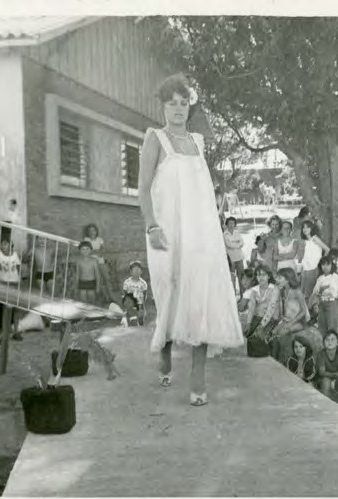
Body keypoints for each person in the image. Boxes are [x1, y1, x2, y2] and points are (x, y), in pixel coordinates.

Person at [138, 74, 244, 406]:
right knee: (169, 294)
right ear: (163, 106)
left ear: (190, 106)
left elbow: (202, 192)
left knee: (201, 298)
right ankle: (166, 350)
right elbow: (143, 189)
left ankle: (198, 375)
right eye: (172, 103)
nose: (178, 109)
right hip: (166, 233)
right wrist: (152, 226)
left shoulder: (198, 141)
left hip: (201, 235)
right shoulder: (155, 139)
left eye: (184, 103)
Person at [270, 268, 309, 363]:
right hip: (286, 319)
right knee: (273, 333)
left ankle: (282, 361)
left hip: (299, 321)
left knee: (281, 333)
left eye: (280, 278)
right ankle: (274, 360)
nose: (277, 280)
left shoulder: (297, 292)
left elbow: (303, 311)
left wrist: (290, 323)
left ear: (287, 279)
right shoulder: (283, 291)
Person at [297, 220, 329, 300]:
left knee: (310, 294)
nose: (305, 229)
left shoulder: (314, 238)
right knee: (303, 293)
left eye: (308, 227)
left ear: (312, 228)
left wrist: (322, 263)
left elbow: (327, 249)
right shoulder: (305, 241)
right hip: (305, 268)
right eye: (303, 227)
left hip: (314, 268)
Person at [83, 224, 113, 302]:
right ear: (87, 232)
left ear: (96, 231)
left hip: (101, 262)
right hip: (92, 264)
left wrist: (93, 251)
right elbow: (86, 252)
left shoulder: (100, 239)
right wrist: (95, 251)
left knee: (107, 279)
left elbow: (102, 252)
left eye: (93, 230)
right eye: (90, 231)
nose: (92, 232)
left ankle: (111, 297)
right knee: (99, 281)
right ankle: (106, 298)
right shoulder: (86, 240)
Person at [312, 256, 338, 334]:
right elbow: (315, 292)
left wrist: (322, 289)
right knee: (321, 325)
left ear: (332, 265)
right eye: (323, 264)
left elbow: (334, 292)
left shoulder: (334, 276)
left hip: (331, 303)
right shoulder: (320, 278)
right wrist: (324, 288)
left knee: (332, 325)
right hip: (321, 303)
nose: (325, 267)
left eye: (328, 264)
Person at [316, 331, 338, 401]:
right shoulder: (321, 354)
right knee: (326, 381)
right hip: (323, 378)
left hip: (337, 377)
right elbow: (322, 372)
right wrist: (335, 375)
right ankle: (325, 403)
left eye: (332, 339)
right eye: (327, 339)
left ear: (337, 342)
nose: (330, 342)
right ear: (323, 342)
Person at [223, 217, 246, 294]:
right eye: (229, 223)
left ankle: (243, 295)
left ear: (235, 224)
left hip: (239, 257)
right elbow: (228, 245)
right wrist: (237, 243)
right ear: (226, 224)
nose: (231, 225)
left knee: (241, 277)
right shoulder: (225, 234)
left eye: (233, 223)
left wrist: (234, 243)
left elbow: (242, 243)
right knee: (232, 277)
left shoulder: (237, 233)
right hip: (231, 259)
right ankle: (233, 296)